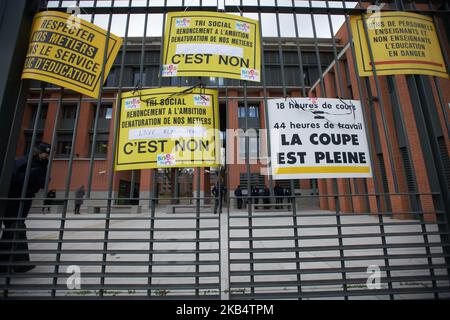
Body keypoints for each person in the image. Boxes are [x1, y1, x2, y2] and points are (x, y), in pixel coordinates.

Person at [0, 142, 50, 273]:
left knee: (15, 227)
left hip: (25, 196)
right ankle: (18, 263)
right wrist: (34, 178)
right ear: (38, 152)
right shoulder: (24, 162)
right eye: (45, 152)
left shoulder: (41, 163)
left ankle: (15, 262)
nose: (47, 155)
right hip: (16, 198)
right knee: (15, 226)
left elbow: (44, 180)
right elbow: (13, 177)